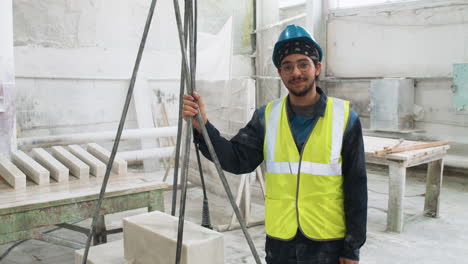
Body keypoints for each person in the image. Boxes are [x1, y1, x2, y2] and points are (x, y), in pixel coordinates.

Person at [182, 24, 367, 264]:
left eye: (303, 64)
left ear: (317, 67)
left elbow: (356, 187)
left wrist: (351, 249)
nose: (296, 72)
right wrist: (203, 126)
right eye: (287, 66)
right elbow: (237, 160)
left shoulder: (344, 118)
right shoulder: (266, 117)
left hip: (327, 242)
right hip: (281, 243)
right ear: (279, 73)